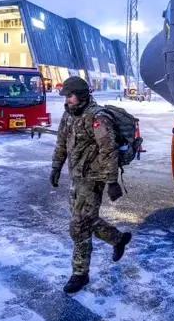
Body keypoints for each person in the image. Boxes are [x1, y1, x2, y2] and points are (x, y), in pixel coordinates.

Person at [50, 76, 132, 294]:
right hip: (76, 177)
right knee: (87, 220)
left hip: (94, 178)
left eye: (70, 96)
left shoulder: (98, 117)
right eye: (66, 96)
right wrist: (56, 167)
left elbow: (108, 150)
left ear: (82, 95)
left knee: (79, 225)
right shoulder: (69, 115)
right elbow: (61, 143)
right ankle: (118, 239)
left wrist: (112, 181)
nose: (67, 100)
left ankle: (80, 273)